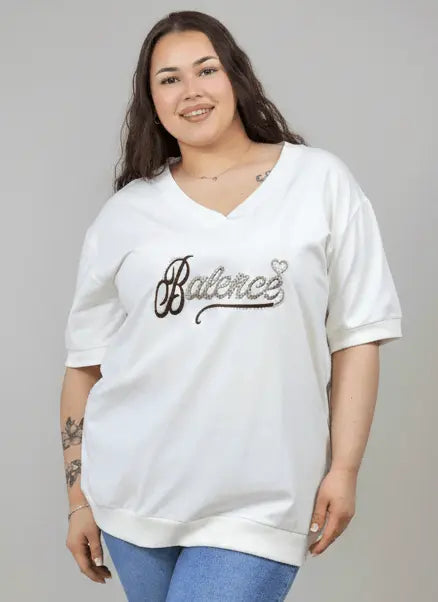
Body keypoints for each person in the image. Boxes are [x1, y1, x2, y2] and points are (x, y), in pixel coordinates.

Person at [59, 9, 403, 601]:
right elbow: (85, 366)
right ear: (151, 100)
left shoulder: (319, 182)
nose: (190, 91)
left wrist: (344, 468)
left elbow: (357, 336)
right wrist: (78, 500)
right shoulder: (126, 213)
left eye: (206, 70)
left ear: (235, 76)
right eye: (169, 79)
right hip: (131, 497)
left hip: (262, 500)